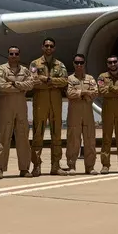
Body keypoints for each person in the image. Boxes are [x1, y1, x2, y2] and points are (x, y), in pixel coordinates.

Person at [29, 38, 69, 176]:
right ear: (42, 47)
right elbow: (33, 80)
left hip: (56, 103)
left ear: (54, 48)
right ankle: (36, 166)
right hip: (40, 102)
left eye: (51, 46)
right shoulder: (35, 63)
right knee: (38, 133)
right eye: (46, 45)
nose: (48, 48)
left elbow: (65, 81)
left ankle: (55, 165)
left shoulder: (60, 65)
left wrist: (48, 80)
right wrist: (49, 82)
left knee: (56, 134)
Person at [0, 45, 34, 178]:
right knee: (3, 137)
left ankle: (24, 169)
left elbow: (30, 84)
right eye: (11, 54)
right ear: (8, 55)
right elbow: (2, 86)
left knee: (23, 138)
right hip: (6, 106)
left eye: (16, 54)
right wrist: (21, 86)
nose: (14, 56)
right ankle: (0, 169)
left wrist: (14, 84)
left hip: (21, 106)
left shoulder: (25, 70)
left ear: (19, 56)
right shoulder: (1, 69)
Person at [97, 55, 118, 174]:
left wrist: (111, 88)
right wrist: (117, 90)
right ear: (107, 64)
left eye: (114, 62)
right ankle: (105, 165)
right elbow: (102, 91)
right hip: (107, 107)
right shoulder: (102, 77)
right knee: (106, 137)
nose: (112, 64)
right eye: (110, 62)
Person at [66, 53, 99, 175]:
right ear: (74, 64)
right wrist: (84, 92)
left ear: (84, 64)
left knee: (90, 139)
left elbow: (95, 92)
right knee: (73, 140)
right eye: (77, 63)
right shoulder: (70, 79)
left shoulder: (90, 78)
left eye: (81, 63)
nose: (79, 65)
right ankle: (71, 166)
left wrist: (79, 93)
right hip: (74, 112)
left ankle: (90, 167)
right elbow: (69, 93)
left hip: (87, 112)